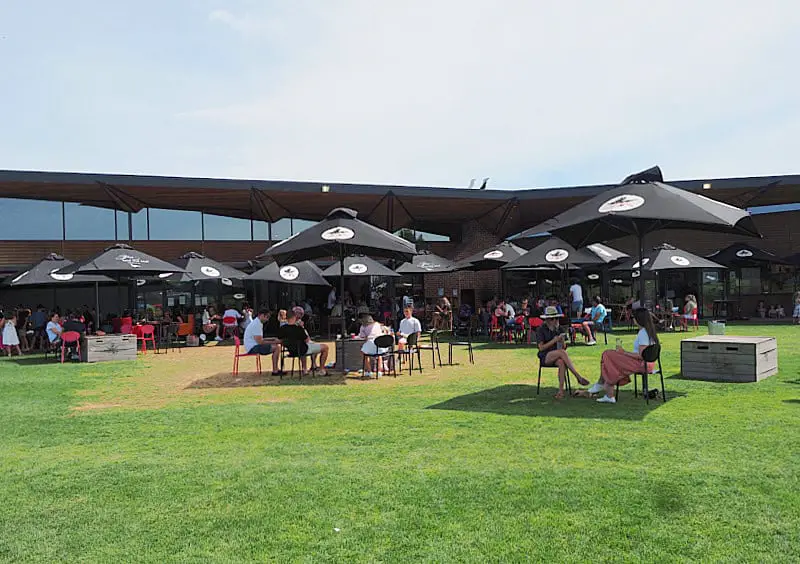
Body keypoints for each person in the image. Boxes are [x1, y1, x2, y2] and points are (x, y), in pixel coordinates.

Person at [589, 308, 658, 404]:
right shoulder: (649, 331)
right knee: (609, 357)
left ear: (639, 319)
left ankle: (606, 389)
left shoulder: (643, 333)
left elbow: (641, 356)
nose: (632, 319)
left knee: (607, 355)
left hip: (642, 364)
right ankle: (605, 387)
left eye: (633, 317)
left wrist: (624, 353)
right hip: (648, 363)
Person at [536, 306, 589, 399]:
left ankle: (560, 391)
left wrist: (562, 341)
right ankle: (577, 376)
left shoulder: (559, 329)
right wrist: (554, 340)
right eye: (552, 319)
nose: (555, 321)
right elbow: (541, 348)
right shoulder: (541, 329)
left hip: (557, 354)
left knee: (561, 361)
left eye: (556, 318)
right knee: (561, 353)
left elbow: (564, 348)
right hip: (545, 356)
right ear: (547, 320)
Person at [279, 311, 328, 376]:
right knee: (325, 347)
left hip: (291, 351)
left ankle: (305, 368)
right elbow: (307, 340)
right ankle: (321, 369)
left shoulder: (282, 328)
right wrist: (302, 327)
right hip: (302, 350)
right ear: (295, 317)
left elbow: (280, 340)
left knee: (301, 346)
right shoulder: (298, 329)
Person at [243, 308, 284, 375]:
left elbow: (260, 339)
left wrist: (272, 339)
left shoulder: (257, 323)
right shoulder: (257, 324)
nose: (267, 320)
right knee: (277, 347)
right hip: (253, 348)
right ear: (261, 315)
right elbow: (260, 342)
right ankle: (275, 370)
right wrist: (275, 342)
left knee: (277, 346)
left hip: (254, 345)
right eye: (266, 317)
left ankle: (276, 369)